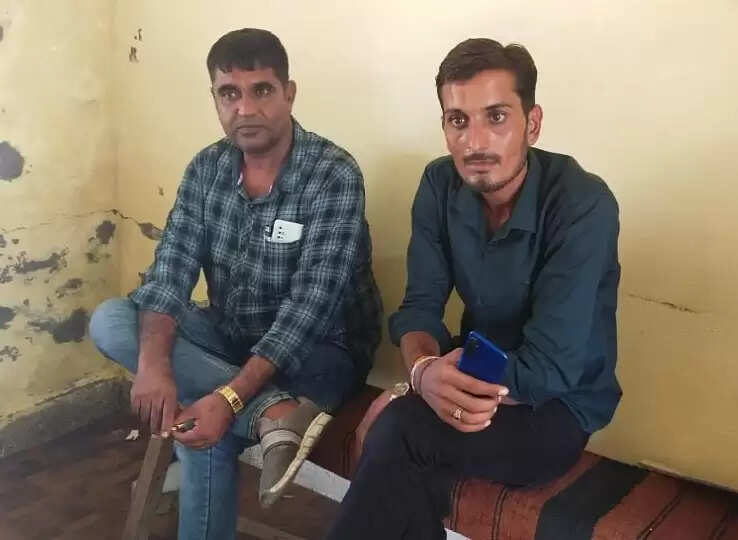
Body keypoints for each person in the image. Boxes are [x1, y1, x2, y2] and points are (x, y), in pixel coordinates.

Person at [89, 28, 382, 540]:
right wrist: (155, 364)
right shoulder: (207, 168)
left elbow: (308, 311)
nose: (245, 109)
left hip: (320, 353)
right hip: (230, 334)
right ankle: (274, 416)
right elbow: (170, 272)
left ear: (289, 93)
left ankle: (239, 409)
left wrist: (225, 400)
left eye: (261, 90)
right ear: (215, 98)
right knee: (111, 320)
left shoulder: (333, 173)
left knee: (205, 427)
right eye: (229, 93)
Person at [327, 38, 621, 540]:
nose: (475, 141)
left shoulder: (581, 204)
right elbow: (419, 308)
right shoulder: (439, 185)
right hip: (476, 368)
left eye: (496, 117)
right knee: (402, 456)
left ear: (532, 123)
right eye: (458, 120)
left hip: (555, 408)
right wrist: (421, 372)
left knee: (398, 431)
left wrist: (420, 391)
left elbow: (548, 370)